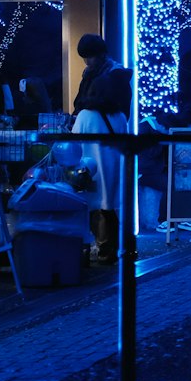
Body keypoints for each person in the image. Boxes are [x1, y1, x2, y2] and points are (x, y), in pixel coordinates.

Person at [71, 33, 133, 265]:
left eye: (89, 57)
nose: (87, 62)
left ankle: (102, 245)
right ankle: (109, 246)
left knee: (95, 195)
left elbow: (81, 107)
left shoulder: (107, 77)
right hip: (110, 148)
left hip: (93, 148)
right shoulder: (113, 78)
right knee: (108, 195)